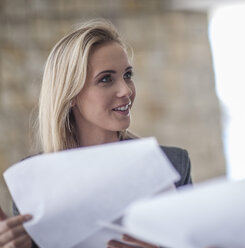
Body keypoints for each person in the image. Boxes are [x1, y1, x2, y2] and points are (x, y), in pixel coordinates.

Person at [0, 19, 192, 248]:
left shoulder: (172, 164)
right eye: (106, 79)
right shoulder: (35, 180)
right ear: (70, 95)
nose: (126, 90)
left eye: (127, 75)